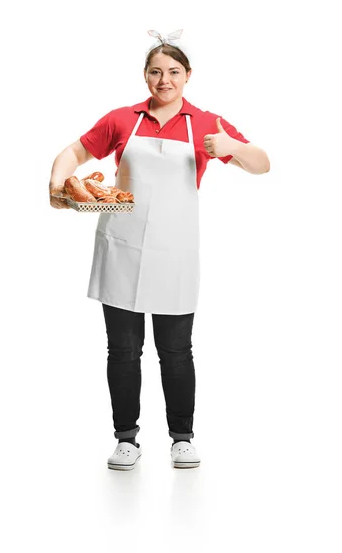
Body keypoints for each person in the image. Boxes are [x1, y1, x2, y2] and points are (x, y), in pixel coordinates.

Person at [49, 29, 270, 471]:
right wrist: (57, 183)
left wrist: (234, 148)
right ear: (145, 76)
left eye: (173, 71)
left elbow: (262, 164)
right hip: (122, 247)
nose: (164, 79)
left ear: (188, 75)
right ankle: (126, 439)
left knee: (176, 350)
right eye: (156, 71)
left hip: (176, 250)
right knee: (123, 350)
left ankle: (182, 438)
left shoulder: (207, 123)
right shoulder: (121, 118)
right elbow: (74, 152)